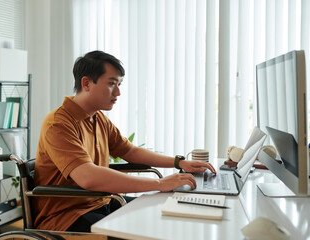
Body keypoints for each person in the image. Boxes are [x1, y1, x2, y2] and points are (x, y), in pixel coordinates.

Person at [33, 50, 216, 232]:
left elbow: (130, 152)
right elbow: (87, 177)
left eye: (119, 84)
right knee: (140, 230)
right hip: (66, 216)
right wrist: (158, 184)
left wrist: (179, 162)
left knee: (162, 215)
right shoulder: (58, 123)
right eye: (112, 84)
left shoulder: (98, 118)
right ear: (87, 83)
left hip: (102, 202)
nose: (118, 92)